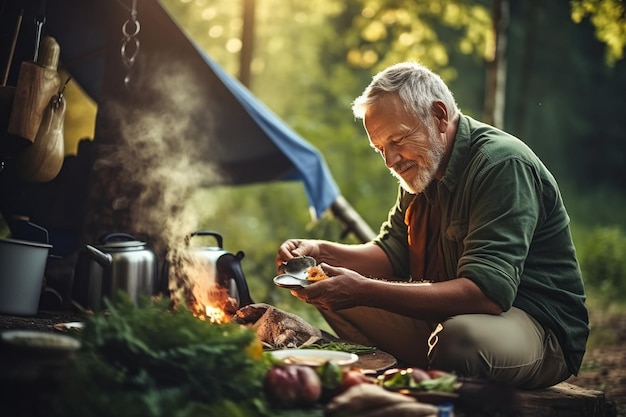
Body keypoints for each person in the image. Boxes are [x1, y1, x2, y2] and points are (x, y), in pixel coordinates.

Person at [276, 61, 589, 389]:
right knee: (325, 292)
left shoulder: (501, 165)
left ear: (439, 116)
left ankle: (430, 372)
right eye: (380, 148)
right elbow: (391, 252)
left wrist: (364, 288)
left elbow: (487, 294)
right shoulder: (422, 170)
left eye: (397, 139)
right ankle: (412, 377)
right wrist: (320, 253)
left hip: (536, 328)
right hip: (453, 316)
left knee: (460, 340)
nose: (390, 160)